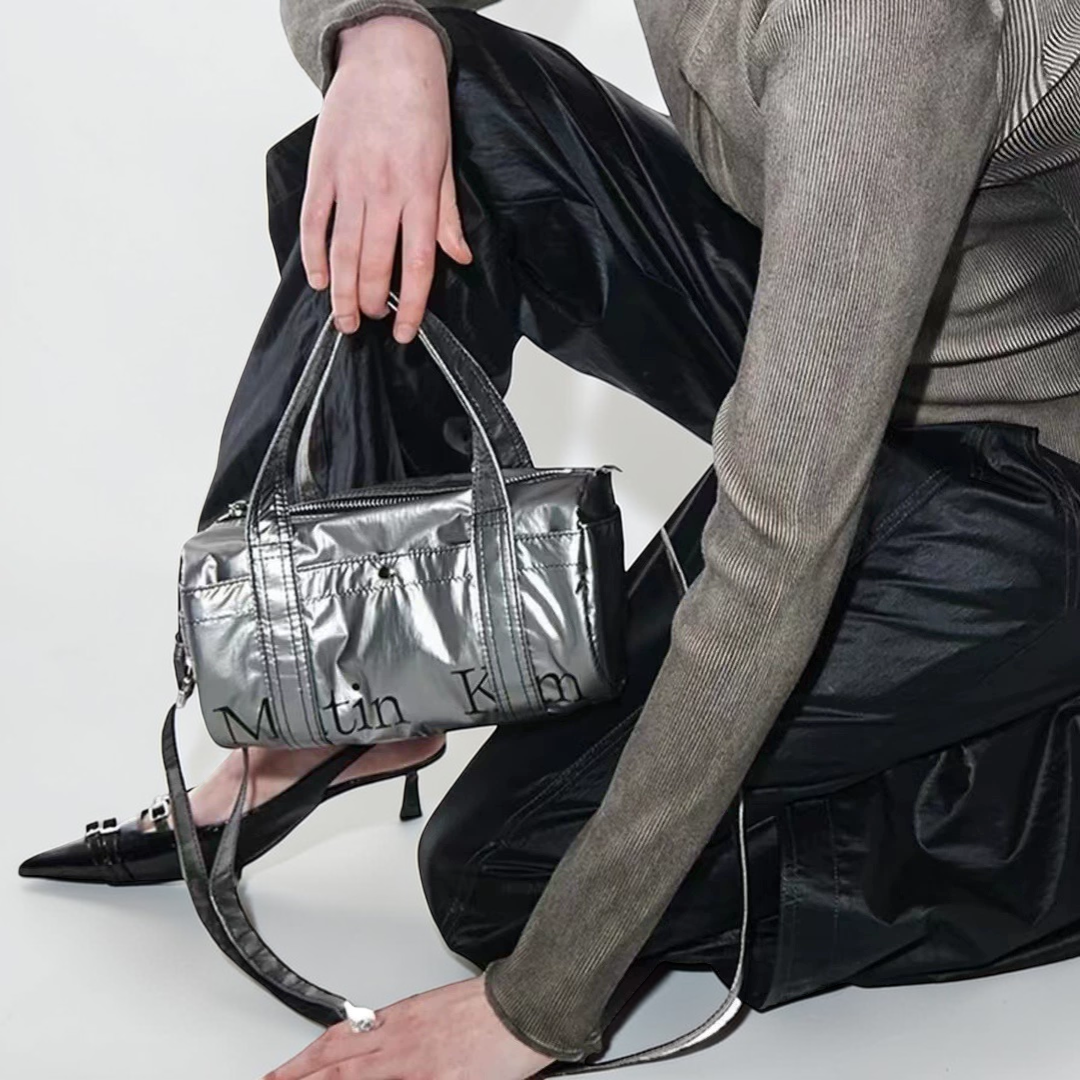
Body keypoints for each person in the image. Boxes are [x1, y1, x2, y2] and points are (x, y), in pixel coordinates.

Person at [19, 2, 1080, 1077]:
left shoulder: (881, 31)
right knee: (449, 104)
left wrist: (538, 1006)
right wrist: (377, 39)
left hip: (1018, 479)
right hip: (849, 323)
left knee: (503, 878)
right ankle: (352, 686)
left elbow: (780, 543)